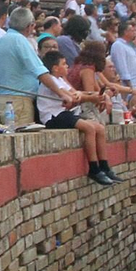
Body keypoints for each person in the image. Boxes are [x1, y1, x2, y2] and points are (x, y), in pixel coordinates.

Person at [37, 51, 117, 185]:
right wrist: (91, 97)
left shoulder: (61, 79)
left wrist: (99, 95)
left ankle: (104, 166)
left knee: (100, 128)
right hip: (54, 116)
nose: (67, 66)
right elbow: (73, 96)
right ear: (55, 68)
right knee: (89, 128)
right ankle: (94, 168)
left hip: (64, 114)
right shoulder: (52, 80)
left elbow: (78, 93)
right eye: (64, 64)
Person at [0, 7, 74, 126]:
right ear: (30, 26)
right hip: (18, 101)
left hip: (2, 98)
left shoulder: (0, 41)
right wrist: (62, 94)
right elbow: (40, 71)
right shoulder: (19, 40)